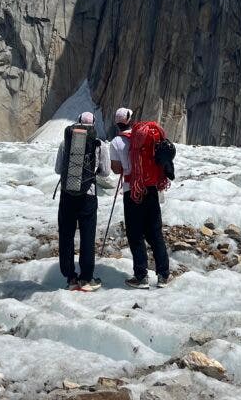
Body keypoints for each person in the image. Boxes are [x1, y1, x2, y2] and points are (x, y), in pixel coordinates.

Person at [110, 107, 170, 289]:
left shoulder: (116, 142)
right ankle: (163, 275)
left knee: (135, 234)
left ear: (117, 123)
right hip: (151, 189)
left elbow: (116, 169)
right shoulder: (146, 137)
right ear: (130, 121)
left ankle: (141, 276)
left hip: (132, 192)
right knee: (155, 232)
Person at [54, 111, 110, 292]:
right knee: (87, 235)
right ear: (93, 125)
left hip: (67, 194)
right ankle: (86, 279)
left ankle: (70, 277)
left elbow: (57, 169)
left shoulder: (66, 142)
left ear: (77, 123)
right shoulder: (99, 144)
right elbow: (105, 172)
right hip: (89, 194)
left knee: (66, 235)